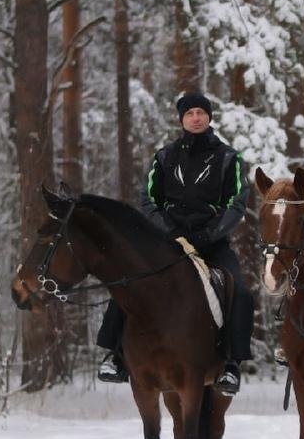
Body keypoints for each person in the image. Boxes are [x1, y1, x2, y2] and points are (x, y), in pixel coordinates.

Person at [96, 91, 256, 395]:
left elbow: (236, 204)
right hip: (168, 242)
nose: (196, 118)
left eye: (201, 113)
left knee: (241, 291)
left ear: (209, 117)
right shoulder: (164, 157)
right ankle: (114, 355)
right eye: (189, 113)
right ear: (181, 119)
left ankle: (232, 365)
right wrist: (170, 232)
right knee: (128, 281)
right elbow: (148, 201)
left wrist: (208, 235)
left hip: (212, 242)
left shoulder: (229, 158)